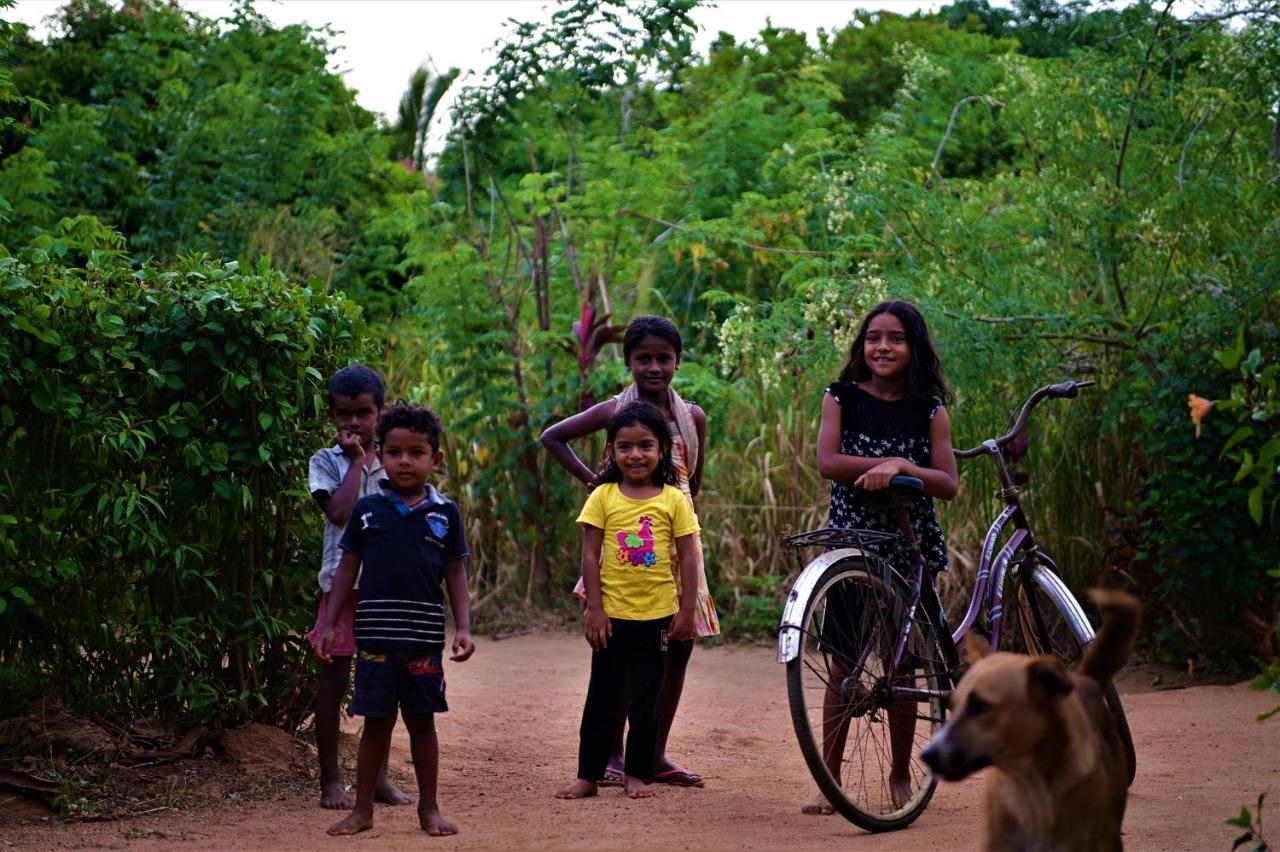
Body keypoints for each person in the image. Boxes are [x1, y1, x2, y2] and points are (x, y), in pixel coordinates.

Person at [541, 315, 718, 787]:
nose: (654, 367)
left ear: (678, 361)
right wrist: (593, 480)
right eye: (644, 358)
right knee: (619, 653)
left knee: (676, 649)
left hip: (676, 542)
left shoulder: (693, 417)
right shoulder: (614, 410)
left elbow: (694, 479)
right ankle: (616, 756)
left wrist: (676, 509)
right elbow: (551, 437)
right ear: (629, 361)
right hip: (624, 548)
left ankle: (653, 753)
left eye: (664, 358)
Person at [806, 299, 958, 816]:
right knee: (842, 664)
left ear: (913, 347)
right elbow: (829, 462)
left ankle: (898, 776)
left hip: (907, 546)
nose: (883, 347)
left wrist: (898, 465)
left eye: (895, 338)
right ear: (861, 345)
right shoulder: (841, 397)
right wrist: (887, 464)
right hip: (852, 545)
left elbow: (947, 483)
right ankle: (830, 778)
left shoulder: (930, 409)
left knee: (903, 665)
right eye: (874, 338)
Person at [318, 403, 475, 836]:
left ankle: (429, 808)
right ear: (378, 456)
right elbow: (346, 569)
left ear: (435, 459)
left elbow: (456, 572)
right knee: (376, 723)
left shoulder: (446, 514)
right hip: (375, 638)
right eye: (393, 452)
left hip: (423, 639)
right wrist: (329, 625)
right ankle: (362, 809)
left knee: (422, 722)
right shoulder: (368, 511)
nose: (404, 461)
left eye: (416, 452)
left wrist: (462, 627)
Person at [555, 401, 699, 801]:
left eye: (645, 446)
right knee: (602, 696)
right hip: (612, 618)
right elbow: (589, 555)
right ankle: (588, 774)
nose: (635, 455)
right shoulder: (602, 496)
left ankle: (638, 773)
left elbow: (688, 555)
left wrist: (687, 610)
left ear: (661, 451)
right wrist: (594, 608)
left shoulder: (673, 499)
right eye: (624, 446)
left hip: (658, 618)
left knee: (646, 702)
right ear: (612, 451)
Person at [305, 365, 410, 810]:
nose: (354, 423)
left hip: (386, 592)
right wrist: (357, 464)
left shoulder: (399, 460)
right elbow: (340, 514)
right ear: (331, 416)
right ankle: (330, 781)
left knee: (385, 685)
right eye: (344, 414)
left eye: (363, 413)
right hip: (341, 593)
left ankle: (378, 777)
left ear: (379, 413)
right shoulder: (326, 462)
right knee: (332, 685)